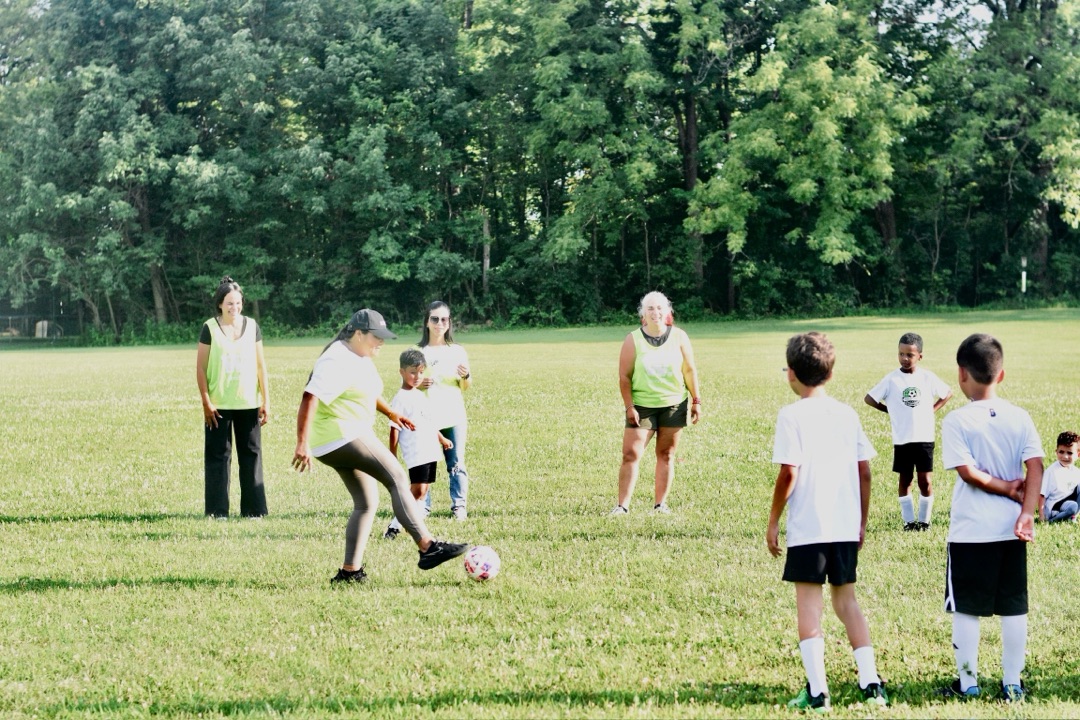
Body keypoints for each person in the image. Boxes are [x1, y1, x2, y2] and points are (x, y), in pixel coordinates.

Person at [292, 309, 469, 584]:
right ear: (359, 334)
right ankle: (427, 546)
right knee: (397, 476)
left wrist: (391, 414)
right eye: (377, 337)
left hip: (340, 436)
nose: (381, 343)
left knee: (366, 503)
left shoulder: (360, 356)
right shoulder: (336, 358)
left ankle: (349, 572)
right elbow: (309, 397)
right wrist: (301, 443)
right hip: (341, 434)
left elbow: (369, 392)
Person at [766, 332, 887, 711]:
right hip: (844, 525)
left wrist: (773, 521)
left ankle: (818, 693)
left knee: (809, 606)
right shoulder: (846, 413)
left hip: (809, 528)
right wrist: (862, 521)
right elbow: (864, 470)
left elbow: (789, 472)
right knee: (847, 602)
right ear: (830, 374)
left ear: (791, 375)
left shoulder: (791, 415)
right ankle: (871, 686)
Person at [939, 333, 1043, 702]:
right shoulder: (1020, 416)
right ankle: (1012, 683)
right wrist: (1026, 511)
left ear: (961, 374)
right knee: (1013, 605)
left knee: (966, 607)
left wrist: (1005, 487)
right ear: (1001, 376)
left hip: (971, 530)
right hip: (1011, 530)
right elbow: (1035, 466)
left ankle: (968, 683)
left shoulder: (956, 420)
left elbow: (968, 473)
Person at [610, 291, 701, 515]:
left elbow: (689, 370)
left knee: (666, 454)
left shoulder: (680, 337)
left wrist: (696, 400)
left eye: (660, 308)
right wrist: (629, 406)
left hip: (674, 404)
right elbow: (624, 376)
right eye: (650, 308)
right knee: (631, 453)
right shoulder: (633, 339)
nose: (655, 312)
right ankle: (622, 506)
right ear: (643, 314)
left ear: (667, 312)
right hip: (642, 406)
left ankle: (660, 505)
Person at [195, 276, 269, 518]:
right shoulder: (210, 328)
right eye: (229, 303)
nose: (234, 308)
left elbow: (261, 366)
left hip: (248, 402)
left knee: (251, 456)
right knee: (218, 458)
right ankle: (217, 511)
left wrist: (266, 401)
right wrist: (206, 401)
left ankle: (254, 510)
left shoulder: (252, 326)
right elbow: (200, 368)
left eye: (238, 303)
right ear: (219, 304)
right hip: (218, 405)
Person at [864, 332, 953, 531]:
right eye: (901, 354)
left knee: (925, 481)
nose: (905, 358)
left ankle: (924, 522)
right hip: (902, 439)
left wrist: (933, 409)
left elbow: (948, 393)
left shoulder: (927, 377)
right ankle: (908, 522)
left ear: (920, 356)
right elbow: (869, 399)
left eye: (910, 355)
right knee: (905, 480)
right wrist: (889, 410)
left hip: (924, 438)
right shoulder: (891, 379)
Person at [383, 348, 454, 540]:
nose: (417, 376)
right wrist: (392, 455)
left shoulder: (419, 395)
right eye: (412, 372)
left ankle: (418, 527)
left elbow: (427, 423)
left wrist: (442, 439)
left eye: (421, 372)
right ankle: (394, 527)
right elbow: (394, 428)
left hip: (430, 450)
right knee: (416, 491)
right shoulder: (400, 399)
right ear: (402, 372)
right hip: (416, 451)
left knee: (424, 490)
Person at [416, 301, 473, 521]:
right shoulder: (418, 351)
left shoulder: (457, 351)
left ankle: (459, 506)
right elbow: (407, 386)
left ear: (449, 323)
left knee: (456, 462)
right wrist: (419, 383)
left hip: (453, 415)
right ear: (427, 322)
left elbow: (465, 386)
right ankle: (423, 506)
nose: (440, 324)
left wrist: (466, 376)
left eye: (444, 319)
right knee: (425, 462)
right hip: (426, 417)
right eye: (435, 319)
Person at [1039, 431, 1080, 523]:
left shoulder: (1076, 472)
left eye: (1069, 453)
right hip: (1054, 506)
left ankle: (1072, 517)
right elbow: (1042, 495)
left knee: (1073, 505)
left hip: (1069, 504)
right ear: (1056, 452)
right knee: (1073, 506)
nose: (1065, 456)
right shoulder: (1051, 471)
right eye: (1061, 452)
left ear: (1078, 454)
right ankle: (1052, 521)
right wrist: (1041, 515)